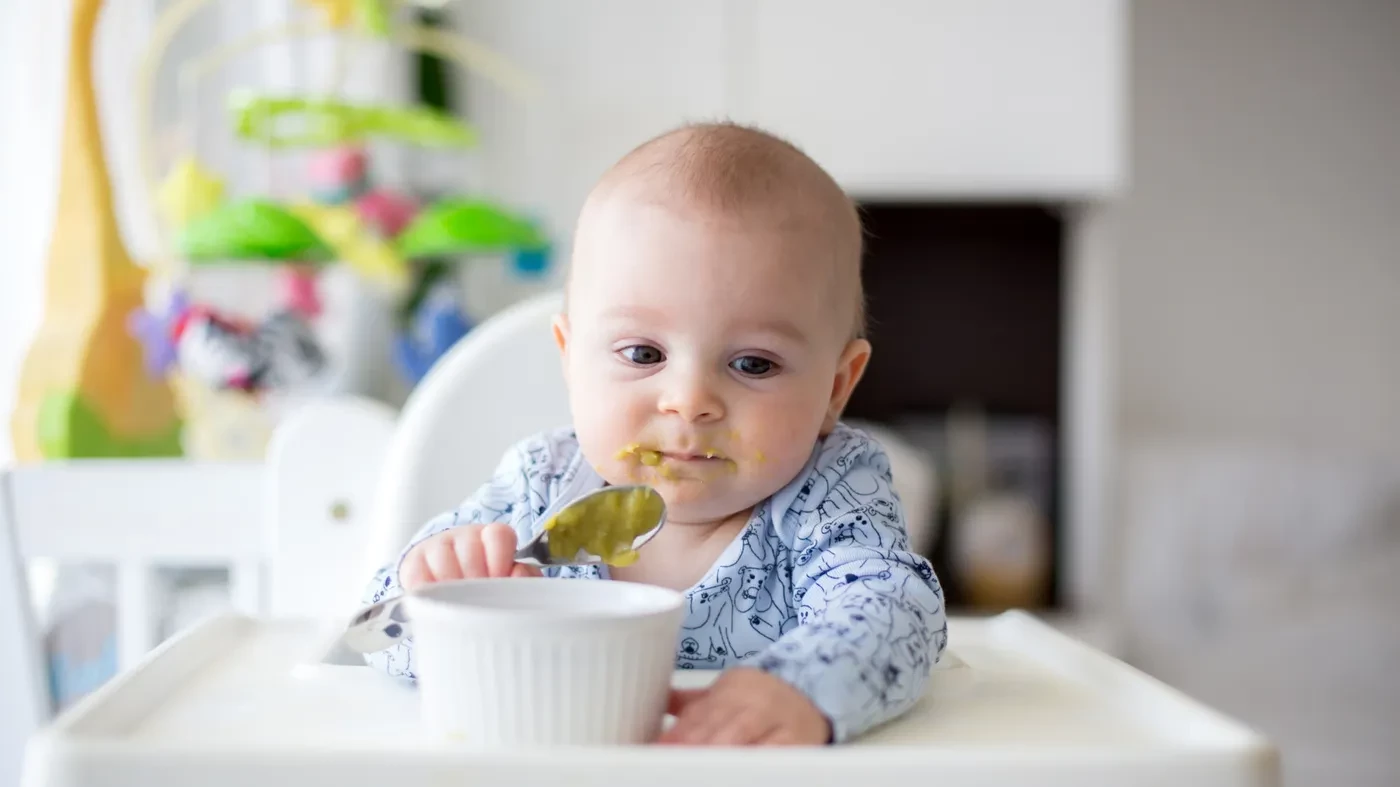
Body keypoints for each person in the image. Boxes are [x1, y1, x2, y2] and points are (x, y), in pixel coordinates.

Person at [360, 121, 947, 745]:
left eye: (753, 364)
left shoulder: (831, 494)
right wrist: (444, 598)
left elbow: (897, 613)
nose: (688, 402)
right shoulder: (541, 487)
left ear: (835, 388)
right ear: (570, 358)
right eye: (642, 354)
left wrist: (803, 687)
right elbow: (373, 635)